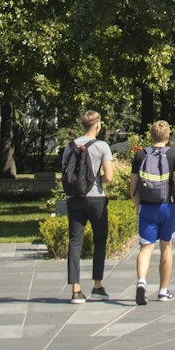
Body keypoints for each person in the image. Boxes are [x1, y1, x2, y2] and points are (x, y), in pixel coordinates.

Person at [129, 120, 175, 305]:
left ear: (151, 135)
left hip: (147, 207)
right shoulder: (173, 155)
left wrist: (138, 205)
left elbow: (132, 187)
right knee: (166, 247)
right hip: (167, 207)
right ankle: (163, 291)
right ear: (167, 136)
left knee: (145, 247)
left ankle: (141, 281)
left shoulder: (140, 155)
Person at [61, 109, 114, 303]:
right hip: (95, 199)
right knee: (100, 240)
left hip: (74, 198)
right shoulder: (102, 146)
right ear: (97, 125)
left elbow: (66, 173)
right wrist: (96, 181)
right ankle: (97, 286)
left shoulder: (70, 146)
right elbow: (108, 177)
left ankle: (76, 289)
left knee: (75, 241)